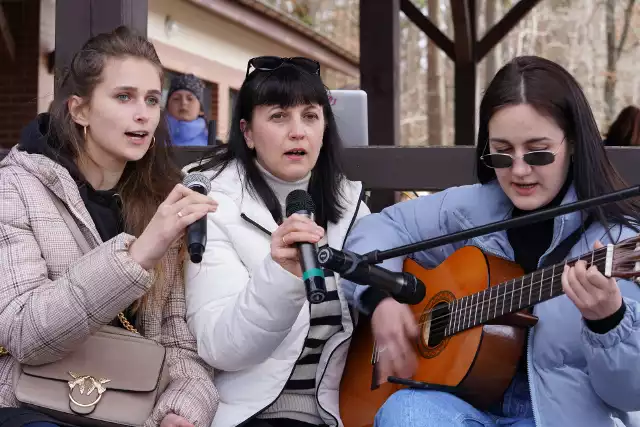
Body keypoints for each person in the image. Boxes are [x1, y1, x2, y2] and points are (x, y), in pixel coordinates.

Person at [342, 56, 640, 427]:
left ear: (575, 143)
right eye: (501, 151)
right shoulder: (470, 208)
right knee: (406, 413)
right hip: (463, 406)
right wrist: (381, 297)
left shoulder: (617, 242)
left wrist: (608, 322)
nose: (518, 170)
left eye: (538, 152)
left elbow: (630, 393)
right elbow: (378, 230)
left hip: (555, 417)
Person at [0, 26, 219, 427]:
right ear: (79, 110)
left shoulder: (157, 198)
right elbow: (25, 334)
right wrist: (137, 255)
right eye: (124, 97)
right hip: (30, 405)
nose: (143, 113)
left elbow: (177, 345)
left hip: (132, 409)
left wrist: (182, 411)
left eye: (152, 100)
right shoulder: (14, 187)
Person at [184, 56, 370, 427]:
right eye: (279, 116)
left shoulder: (351, 203)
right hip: (255, 412)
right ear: (248, 132)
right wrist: (282, 275)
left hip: (346, 409)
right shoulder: (211, 203)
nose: (298, 132)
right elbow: (219, 344)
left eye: (310, 116)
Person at [166, 73, 209, 146]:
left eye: (190, 99)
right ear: (167, 107)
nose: (183, 102)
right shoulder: (151, 141)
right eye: (176, 99)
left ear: (200, 110)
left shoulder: (215, 145)